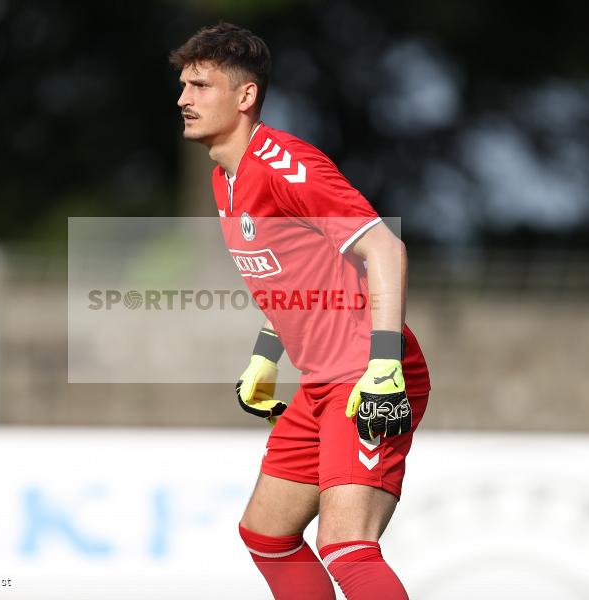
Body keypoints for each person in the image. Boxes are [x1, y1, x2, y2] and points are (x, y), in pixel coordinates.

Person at [170, 22, 430, 600]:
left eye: (200, 85)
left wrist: (383, 368)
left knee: (348, 546)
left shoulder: (286, 163)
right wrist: (266, 356)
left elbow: (385, 247)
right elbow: (295, 279)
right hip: (321, 383)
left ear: (245, 96)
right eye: (183, 86)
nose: (183, 99)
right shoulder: (224, 179)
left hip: (368, 374)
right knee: (265, 532)